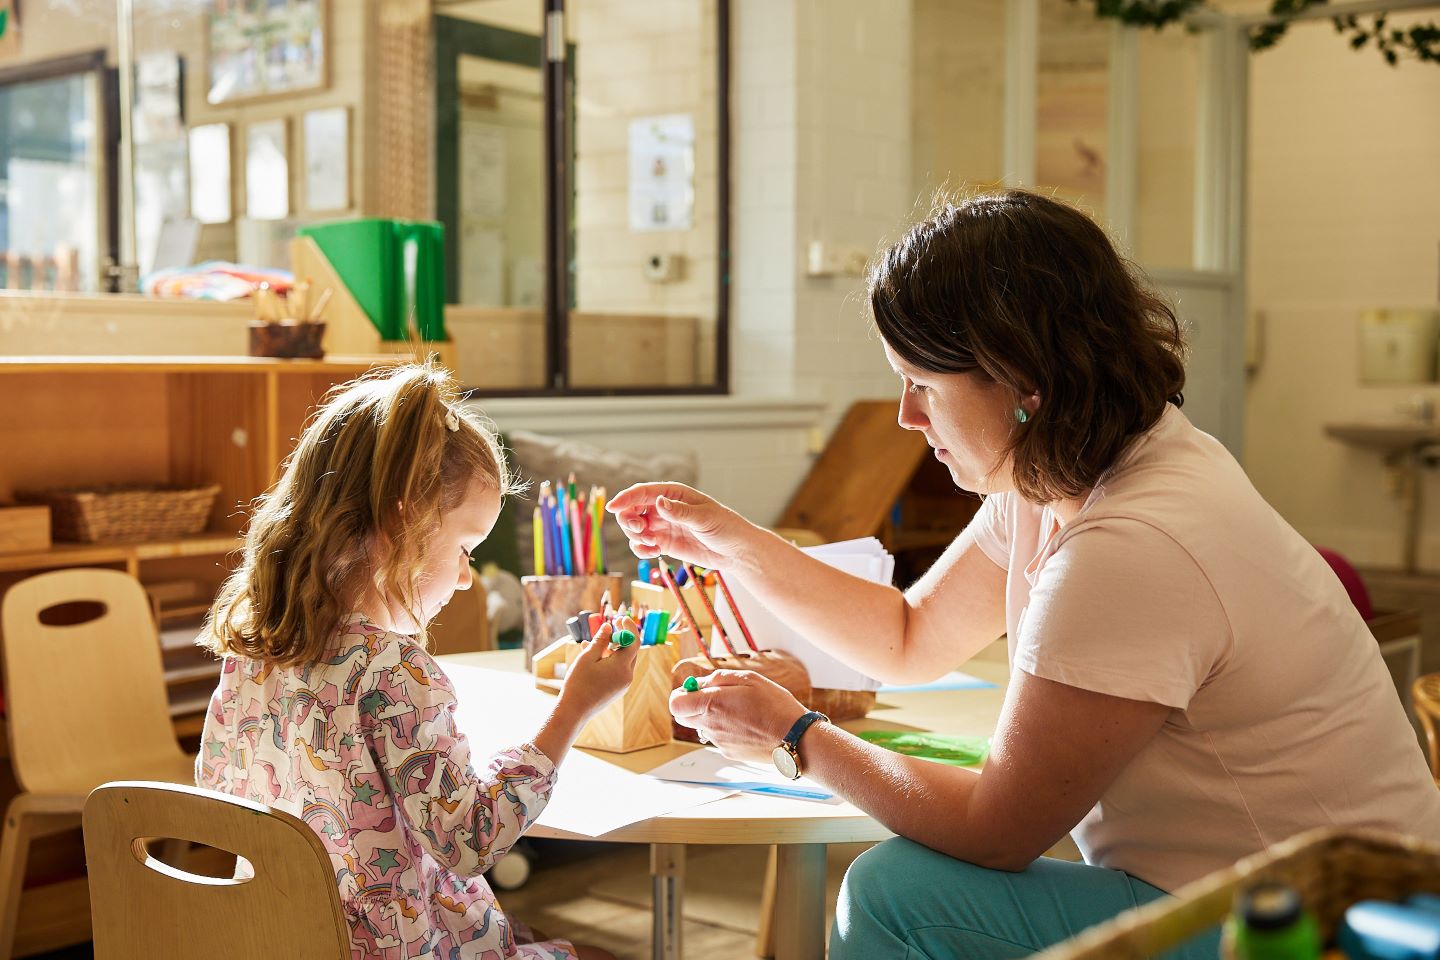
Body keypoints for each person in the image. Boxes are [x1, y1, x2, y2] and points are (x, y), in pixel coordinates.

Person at [608, 190, 1440, 958]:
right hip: (1258, 881)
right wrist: (731, 543)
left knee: (895, 893)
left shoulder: (1132, 543)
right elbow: (910, 638)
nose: (905, 416)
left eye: (922, 384)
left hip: (1329, 924)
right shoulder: (1075, 469)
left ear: (1022, 381)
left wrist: (794, 737)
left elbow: (999, 828)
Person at [198, 364, 634, 960]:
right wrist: (574, 708)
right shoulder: (394, 670)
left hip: (288, 941)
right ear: (402, 520)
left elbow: (215, 784)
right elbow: (472, 841)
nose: (463, 579)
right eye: (464, 549)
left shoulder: (254, 653)